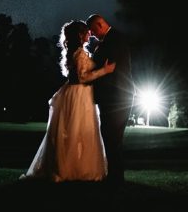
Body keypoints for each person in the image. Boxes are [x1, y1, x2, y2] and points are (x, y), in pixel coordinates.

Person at [21, 20, 116, 182]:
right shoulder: (79, 53)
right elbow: (83, 77)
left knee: (74, 131)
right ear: (80, 35)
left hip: (73, 92)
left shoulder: (76, 52)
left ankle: (73, 166)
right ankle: (73, 169)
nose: (90, 34)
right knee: (78, 130)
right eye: (87, 32)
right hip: (79, 93)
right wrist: (104, 71)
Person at [86, 13, 133, 187]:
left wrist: (93, 55)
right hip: (116, 96)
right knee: (111, 137)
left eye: (92, 30)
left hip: (116, 96)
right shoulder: (112, 39)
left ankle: (115, 177)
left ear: (100, 25)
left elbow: (105, 65)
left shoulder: (114, 40)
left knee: (112, 136)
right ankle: (114, 175)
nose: (92, 34)